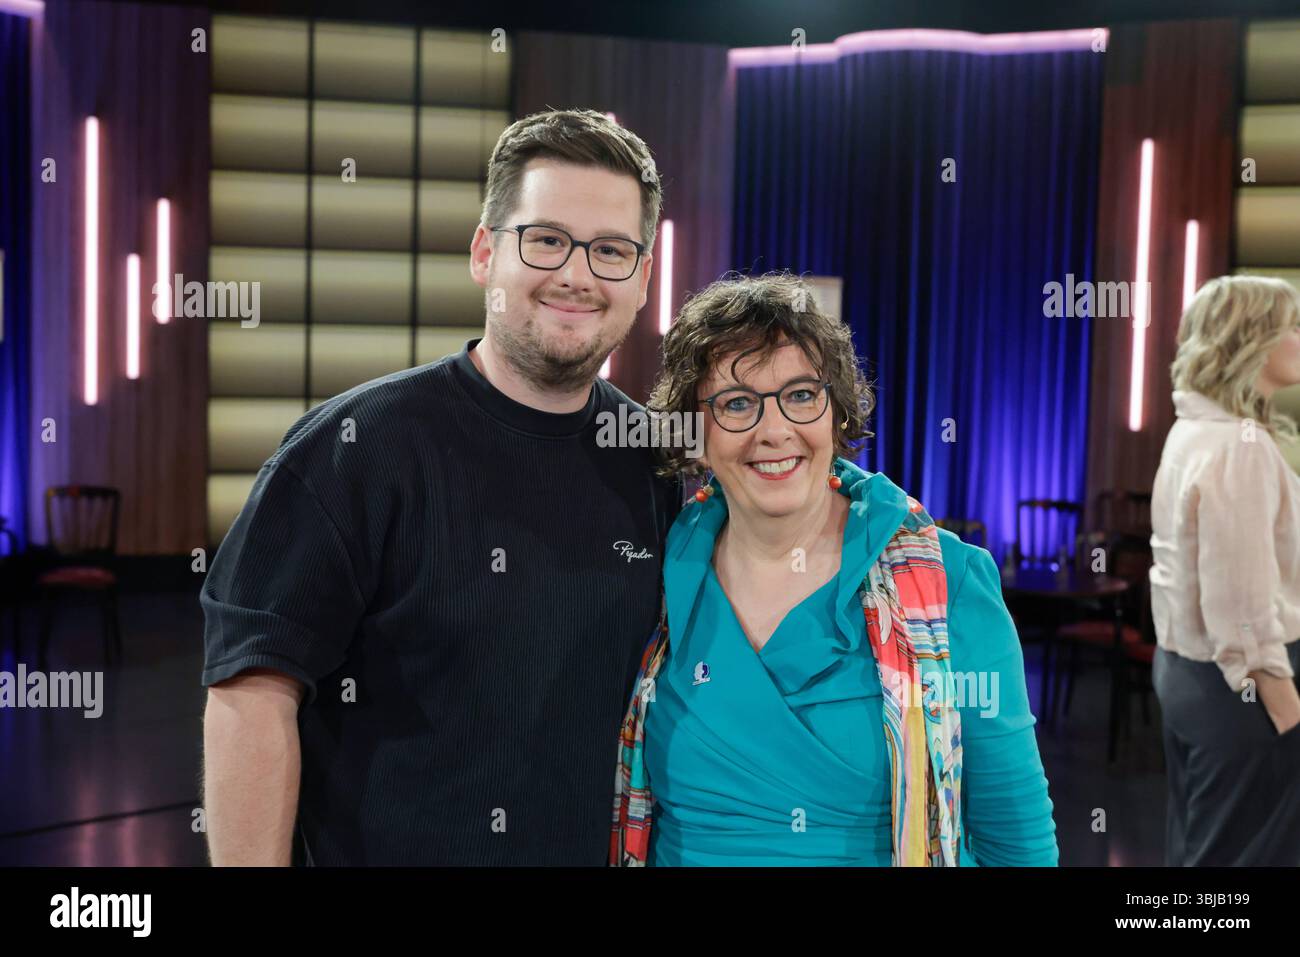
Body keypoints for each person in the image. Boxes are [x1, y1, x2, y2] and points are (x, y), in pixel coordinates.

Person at [201, 109, 681, 865]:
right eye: (547, 239)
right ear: (485, 252)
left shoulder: (659, 463)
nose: (578, 274)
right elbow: (250, 696)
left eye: (611, 250)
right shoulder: (354, 448)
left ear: (644, 278)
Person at [611, 273, 1059, 866]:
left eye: (801, 395)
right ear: (695, 434)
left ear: (836, 414)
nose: (775, 431)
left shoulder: (948, 582)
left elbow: (1016, 844)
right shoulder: (661, 569)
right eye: (737, 403)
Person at [1149, 275, 1300, 866]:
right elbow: (1240, 608)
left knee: (1201, 856)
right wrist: (1286, 709)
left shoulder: (1195, 429)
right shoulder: (1240, 445)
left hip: (1189, 675)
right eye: (1290, 327)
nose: (1299, 338)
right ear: (1251, 340)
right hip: (1241, 689)